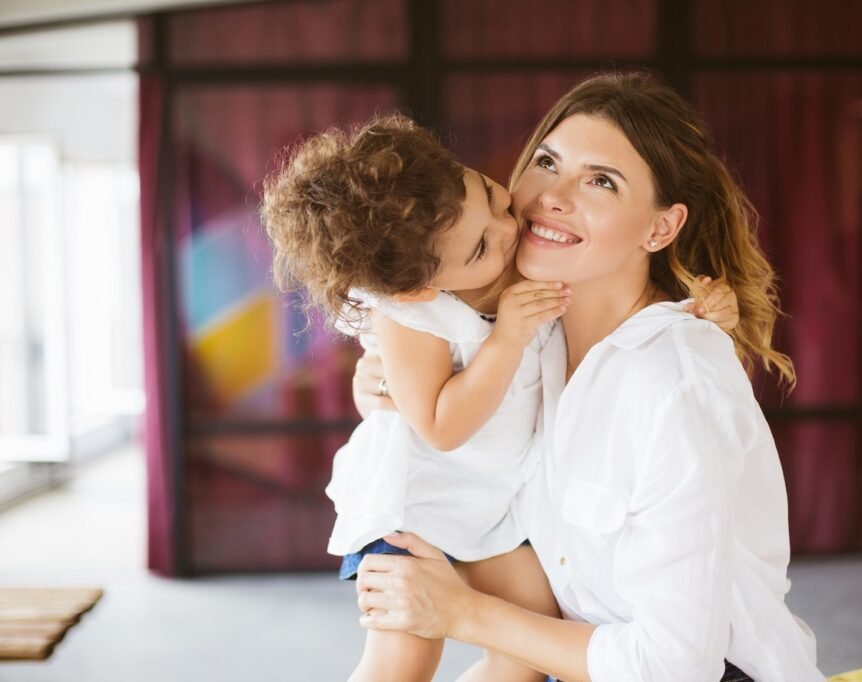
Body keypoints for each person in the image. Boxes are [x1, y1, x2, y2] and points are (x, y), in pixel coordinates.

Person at [351, 72, 825, 682]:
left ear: (660, 229)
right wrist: (387, 388)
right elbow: (437, 389)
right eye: (548, 161)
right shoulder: (531, 335)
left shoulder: (672, 383)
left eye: (601, 180)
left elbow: (675, 667)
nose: (553, 194)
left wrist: (463, 613)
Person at [261, 113, 739, 682]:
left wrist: (706, 308)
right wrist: (507, 339)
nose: (508, 228)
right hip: (416, 505)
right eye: (483, 245)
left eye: (490, 195)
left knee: (530, 646)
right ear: (419, 286)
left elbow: (623, 307)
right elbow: (439, 425)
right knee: (403, 659)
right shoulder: (413, 312)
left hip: (499, 507)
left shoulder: (518, 253)